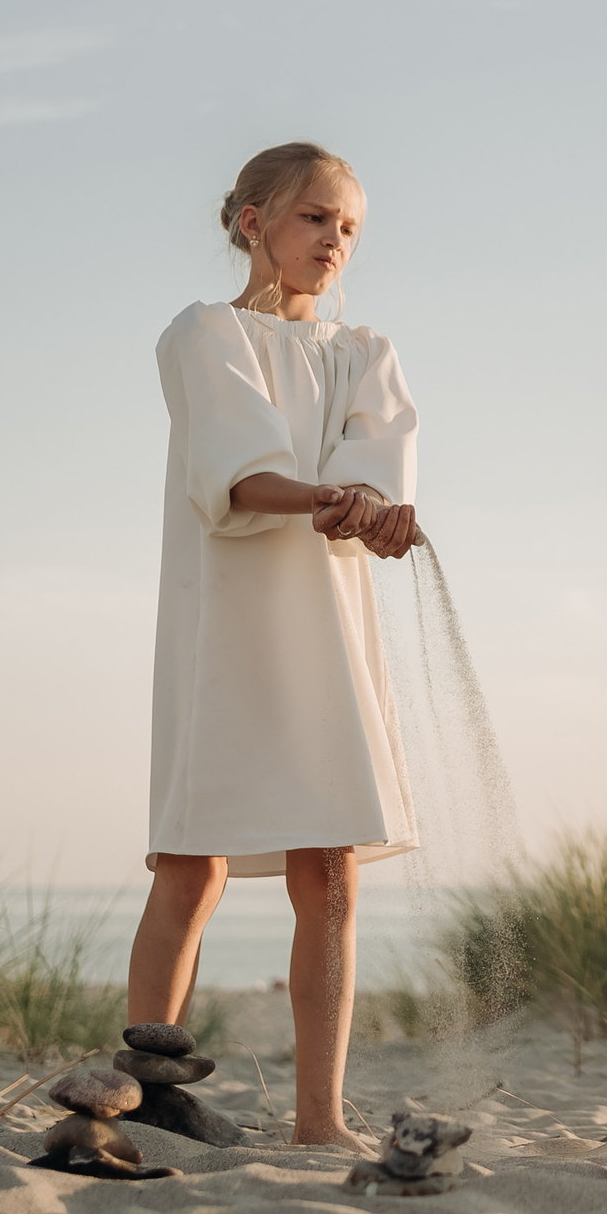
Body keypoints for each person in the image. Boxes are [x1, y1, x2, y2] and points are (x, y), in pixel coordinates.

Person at [127, 140, 424, 1153]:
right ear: (253, 221)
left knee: (330, 871)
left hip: (325, 627)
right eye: (315, 217)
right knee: (192, 864)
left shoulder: (363, 353)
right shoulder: (204, 334)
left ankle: (318, 1118)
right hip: (224, 621)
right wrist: (336, 499)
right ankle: (149, 1092)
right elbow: (241, 474)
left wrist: (376, 513)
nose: (336, 240)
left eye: (350, 227)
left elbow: (374, 481)